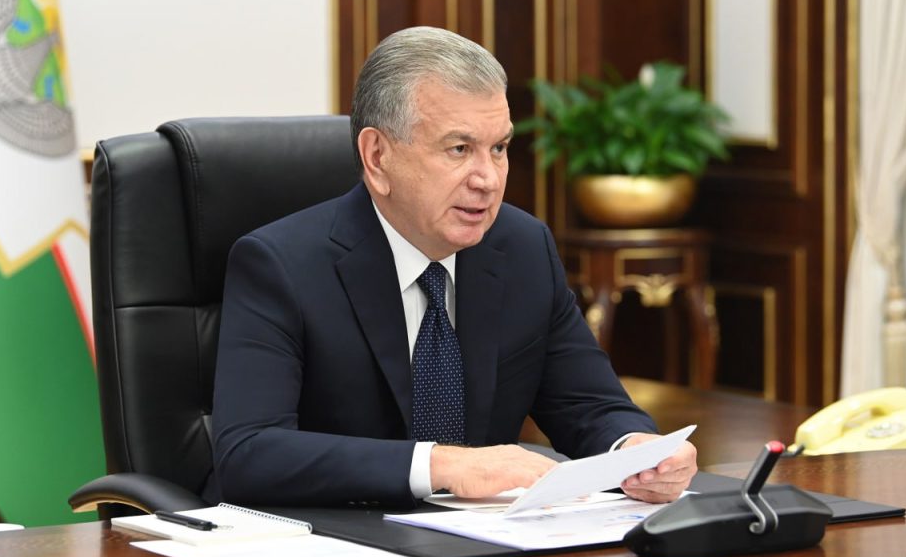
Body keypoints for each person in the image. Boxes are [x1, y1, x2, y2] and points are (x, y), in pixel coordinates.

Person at [206, 26, 696, 507]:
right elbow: (250, 452)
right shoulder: (281, 265)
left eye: (499, 148)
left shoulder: (522, 248)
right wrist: (440, 466)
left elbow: (588, 403)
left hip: (481, 542)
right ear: (377, 157)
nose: (488, 180)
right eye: (459, 149)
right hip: (333, 540)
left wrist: (636, 451)